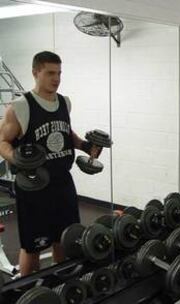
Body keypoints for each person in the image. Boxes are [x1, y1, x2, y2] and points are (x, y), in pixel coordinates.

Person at [0, 51, 98, 276]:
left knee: (66, 239)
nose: (56, 78)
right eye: (50, 73)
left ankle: (63, 286)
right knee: (32, 247)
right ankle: (25, 292)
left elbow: (64, 131)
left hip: (63, 182)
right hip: (33, 187)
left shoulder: (65, 102)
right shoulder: (20, 107)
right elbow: (2, 141)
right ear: (36, 73)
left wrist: (84, 146)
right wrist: (17, 158)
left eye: (59, 73)